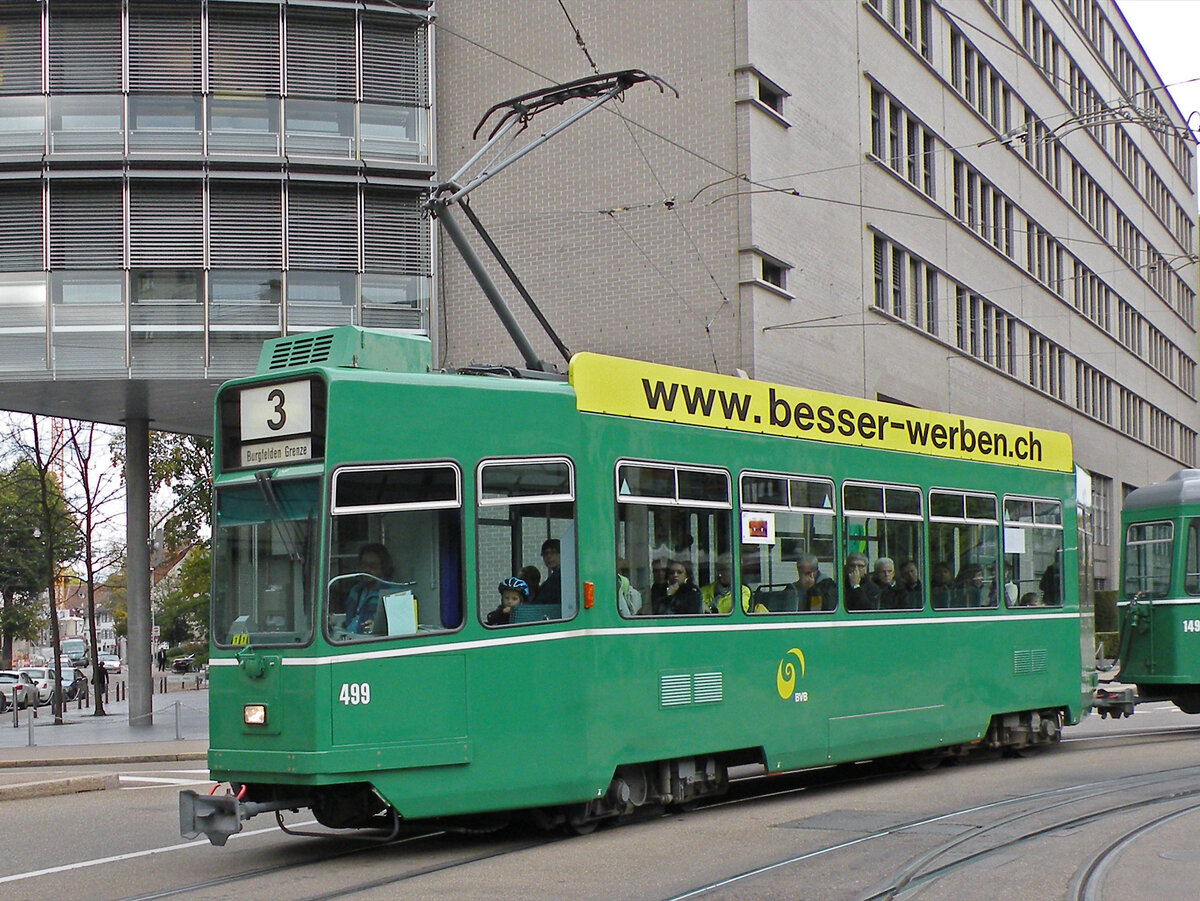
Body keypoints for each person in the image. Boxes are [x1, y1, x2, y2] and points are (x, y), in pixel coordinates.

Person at [343, 543, 395, 633]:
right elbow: (350, 618)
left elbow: (400, 624)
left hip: (372, 639)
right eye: (363, 565)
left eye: (372, 566)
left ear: (383, 567)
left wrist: (378, 627)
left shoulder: (392, 591)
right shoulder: (356, 590)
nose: (367, 569)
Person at [535, 539, 561, 606]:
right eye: (545, 554)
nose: (548, 557)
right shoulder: (554, 577)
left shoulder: (559, 578)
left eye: (553, 552)